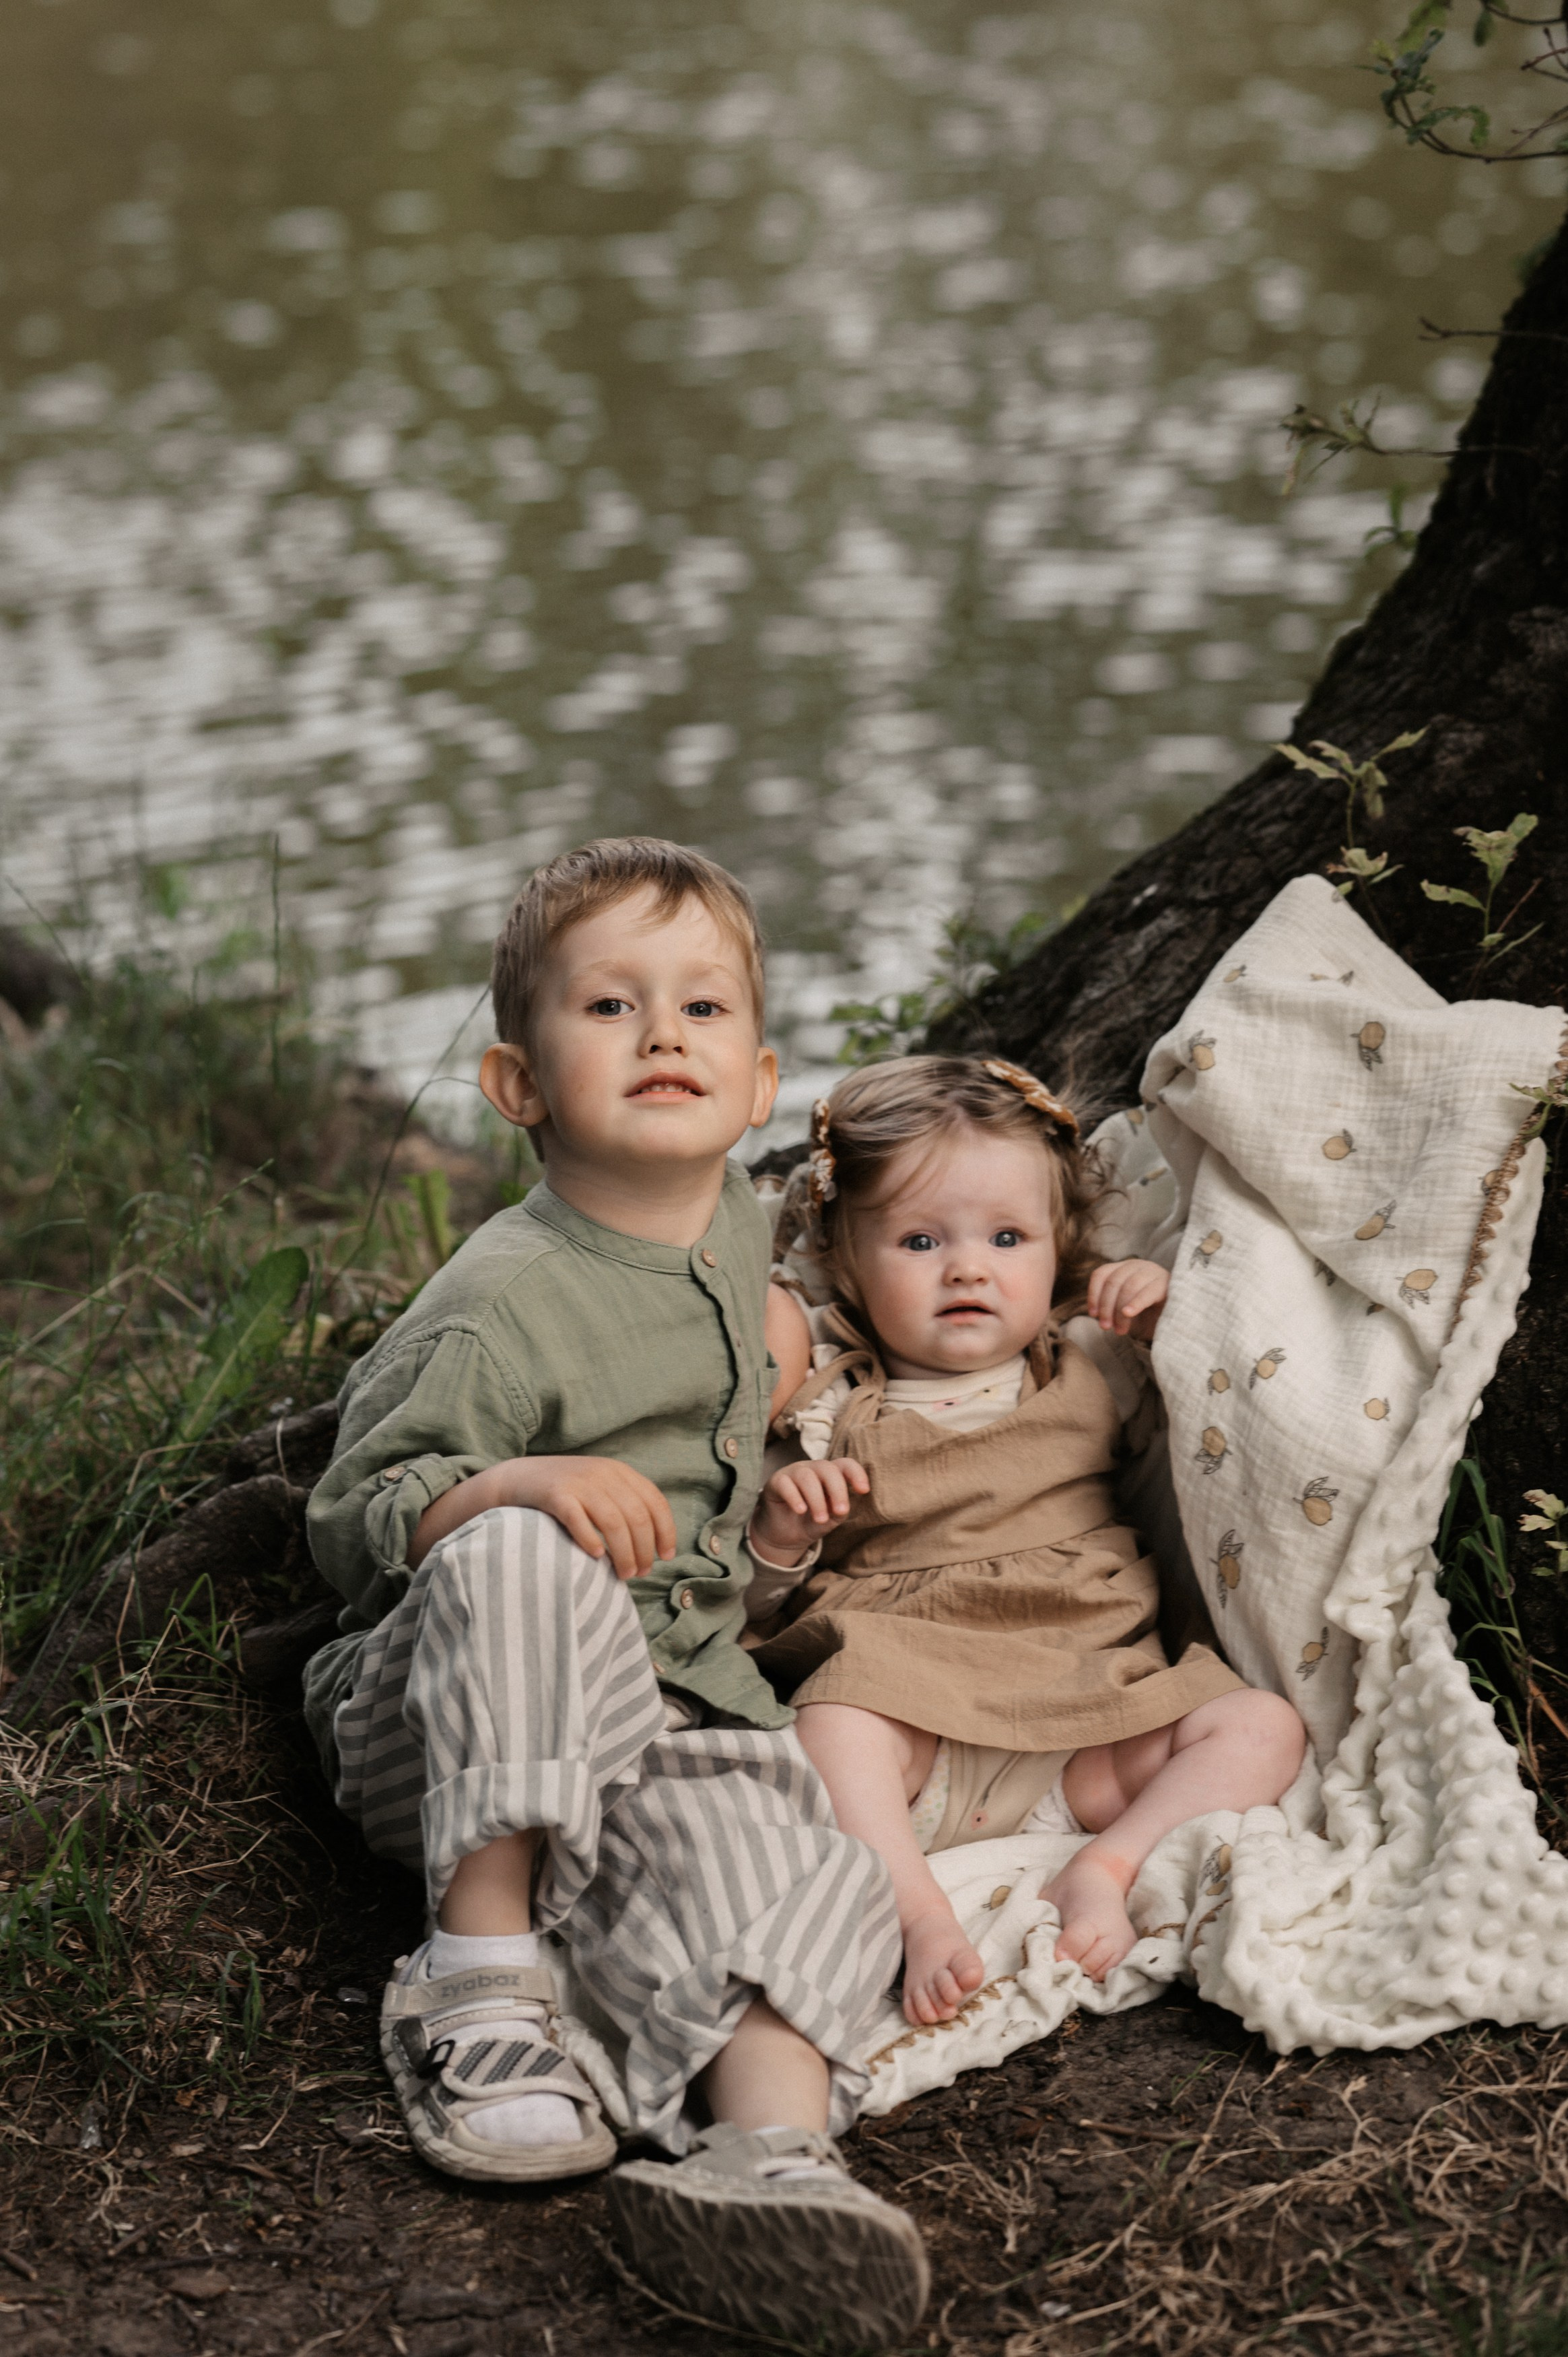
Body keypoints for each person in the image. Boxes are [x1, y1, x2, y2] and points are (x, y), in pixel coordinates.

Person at [301, 839, 928, 2352]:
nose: (664, 1035)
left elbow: (730, 1462)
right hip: (450, 1710)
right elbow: (349, 1516)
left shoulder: (743, 1245)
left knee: (802, 1869)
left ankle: (767, 2162)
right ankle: (482, 1987)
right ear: (519, 1088)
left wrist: (773, 1524)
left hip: (667, 1716)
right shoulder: (505, 1297)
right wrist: (510, 1486)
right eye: (611, 1005)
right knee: (528, 1556)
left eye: (703, 1008)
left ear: (762, 1076)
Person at [747, 1056, 1307, 2024]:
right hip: (912, 1720)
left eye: (1007, 1237)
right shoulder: (826, 1399)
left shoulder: (1087, 1357)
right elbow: (750, 1607)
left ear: (1058, 1250)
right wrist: (781, 1531)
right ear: (845, 1259)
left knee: (1261, 1726)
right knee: (826, 1729)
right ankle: (915, 1907)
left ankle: (1107, 1862)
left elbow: (1221, 1402)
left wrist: (1162, 1309)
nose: (967, 1267)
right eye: (919, 1240)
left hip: (1083, 1718)